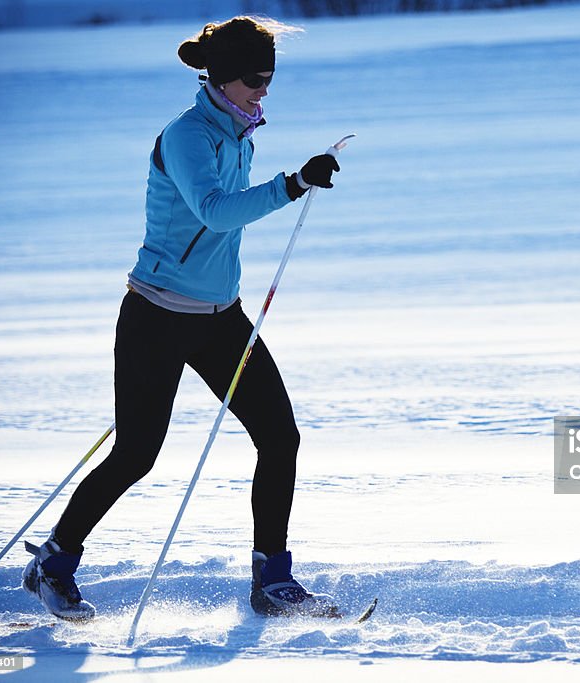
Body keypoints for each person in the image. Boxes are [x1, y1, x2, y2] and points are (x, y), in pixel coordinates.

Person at [21, 16, 341, 621]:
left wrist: (293, 181)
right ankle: (54, 563)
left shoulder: (240, 132)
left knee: (280, 437)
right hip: (156, 317)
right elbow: (216, 213)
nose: (263, 92)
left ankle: (273, 582)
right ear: (221, 77)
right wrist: (293, 183)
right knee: (137, 454)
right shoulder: (188, 136)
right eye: (253, 80)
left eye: (269, 80)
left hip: (221, 318)